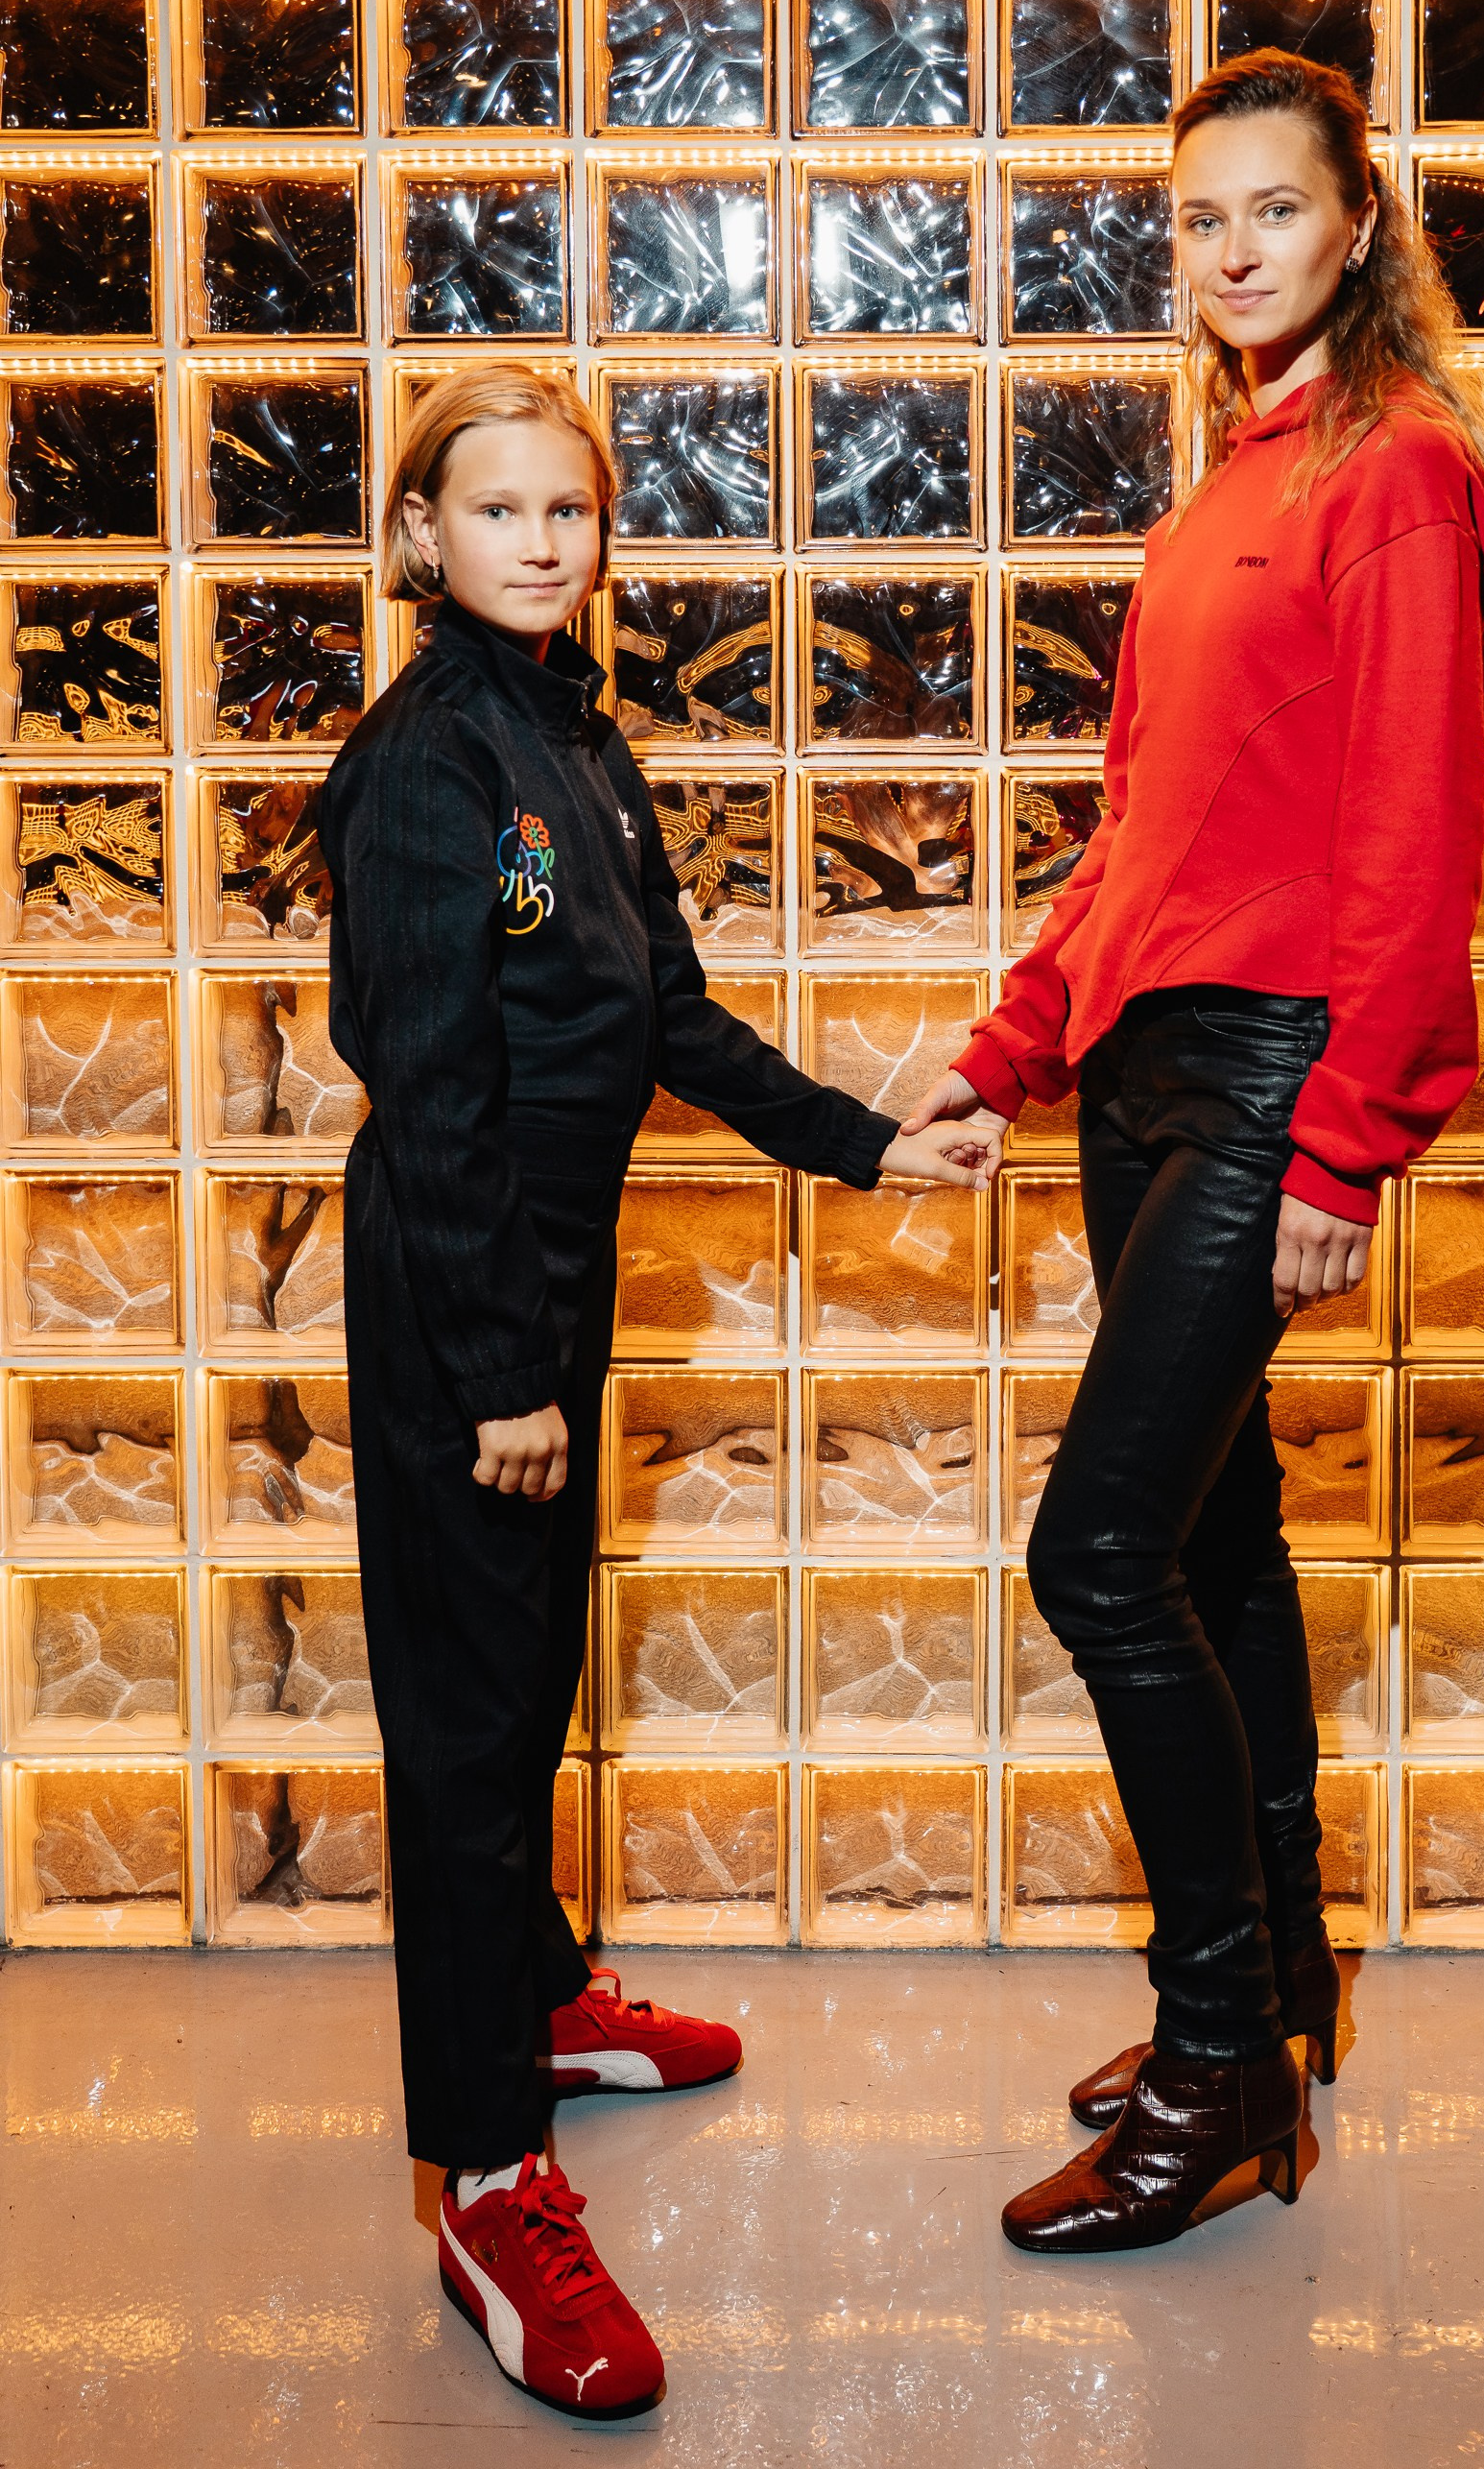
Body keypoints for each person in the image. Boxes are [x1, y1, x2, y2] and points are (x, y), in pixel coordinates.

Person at [899, 49, 1484, 2255]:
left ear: (1357, 228)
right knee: (1214, 1538)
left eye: (1273, 209)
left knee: (1094, 1553)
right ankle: (1277, 1975)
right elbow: (1143, 829)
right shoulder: (1221, 492)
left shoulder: (1396, 473)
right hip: (1151, 1063)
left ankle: (1217, 2072)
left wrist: (1344, 1146)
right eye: (1198, 219)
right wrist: (1008, 1046)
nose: (1232, 250)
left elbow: (1410, 836)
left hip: (1279, 1065)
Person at [316, 365, 998, 2413]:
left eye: (570, 510)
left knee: (524, 1670)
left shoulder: (579, 739)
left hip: (553, 1262)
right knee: (465, 1730)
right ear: (420, 533)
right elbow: (430, 1082)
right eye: (496, 508)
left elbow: (665, 1016)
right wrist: (500, 1369)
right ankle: (483, 2178)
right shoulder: (425, 761)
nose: (541, 542)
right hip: (462, 1281)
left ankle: (541, 1999)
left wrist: (872, 1144)